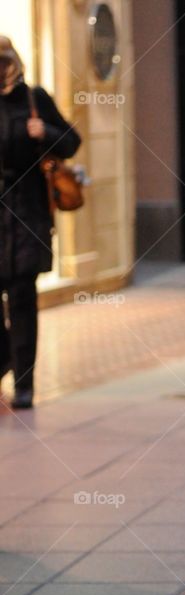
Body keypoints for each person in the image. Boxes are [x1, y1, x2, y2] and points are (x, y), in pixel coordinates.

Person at [0, 37, 81, 409]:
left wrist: (45, 133)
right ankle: (4, 358)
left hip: (27, 210)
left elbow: (71, 140)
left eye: (3, 60)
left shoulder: (34, 98)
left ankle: (24, 383)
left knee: (22, 298)